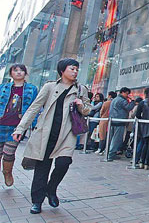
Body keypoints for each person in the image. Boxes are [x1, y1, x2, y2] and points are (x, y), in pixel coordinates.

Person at [12, 58, 91, 214]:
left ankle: (51, 188)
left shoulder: (81, 89)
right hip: (46, 133)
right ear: (62, 70)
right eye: (72, 68)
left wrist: (81, 105)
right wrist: (20, 128)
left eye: (76, 69)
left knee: (64, 163)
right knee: (42, 168)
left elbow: (87, 109)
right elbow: (34, 108)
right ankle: (37, 201)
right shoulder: (49, 87)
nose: (75, 72)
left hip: (66, 134)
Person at [0, 64, 38, 187]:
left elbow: (35, 108)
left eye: (21, 70)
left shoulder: (32, 89)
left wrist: (35, 126)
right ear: (11, 74)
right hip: (1, 123)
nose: (18, 72)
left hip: (16, 128)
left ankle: (7, 172)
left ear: (25, 73)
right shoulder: (3, 87)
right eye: (15, 70)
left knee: (9, 153)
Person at [108, 87, 135, 160]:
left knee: (111, 138)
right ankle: (111, 154)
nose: (127, 95)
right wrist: (132, 101)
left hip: (113, 121)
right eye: (127, 93)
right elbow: (129, 107)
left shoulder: (114, 100)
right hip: (119, 121)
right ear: (123, 92)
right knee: (116, 139)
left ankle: (109, 152)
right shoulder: (122, 100)